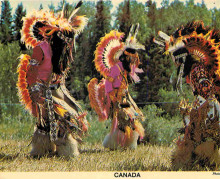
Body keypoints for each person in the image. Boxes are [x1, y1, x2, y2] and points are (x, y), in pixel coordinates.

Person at [154, 21, 220, 170]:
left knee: (203, 141)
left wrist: (196, 109)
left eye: (175, 58)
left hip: (209, 108)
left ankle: (204, 165)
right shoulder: (193, 70)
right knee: (195, 139)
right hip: (205, 106)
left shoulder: (197, 70)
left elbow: (207, 91)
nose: (174, 62)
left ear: (182, 58)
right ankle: (198, 165)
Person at [17, 1, 89, 157]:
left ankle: (62, 151)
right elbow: (31, 71)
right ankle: (43, 150)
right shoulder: (40, 48)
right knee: (48, 123)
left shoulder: (58, 52)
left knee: (65, 119)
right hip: (42, 90)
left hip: (56, 90)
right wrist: (35, 91)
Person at [88, 24, 145, 150]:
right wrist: (112, 96)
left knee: (131, 118)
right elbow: (108, 83)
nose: (133, 62)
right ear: (125, 57)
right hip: (117, 99)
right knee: (123, 120)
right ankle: (116, 143)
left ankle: (127, 143)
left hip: (125, 98)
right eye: (131, 59)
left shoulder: (125, 70)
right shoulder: (116, 68)